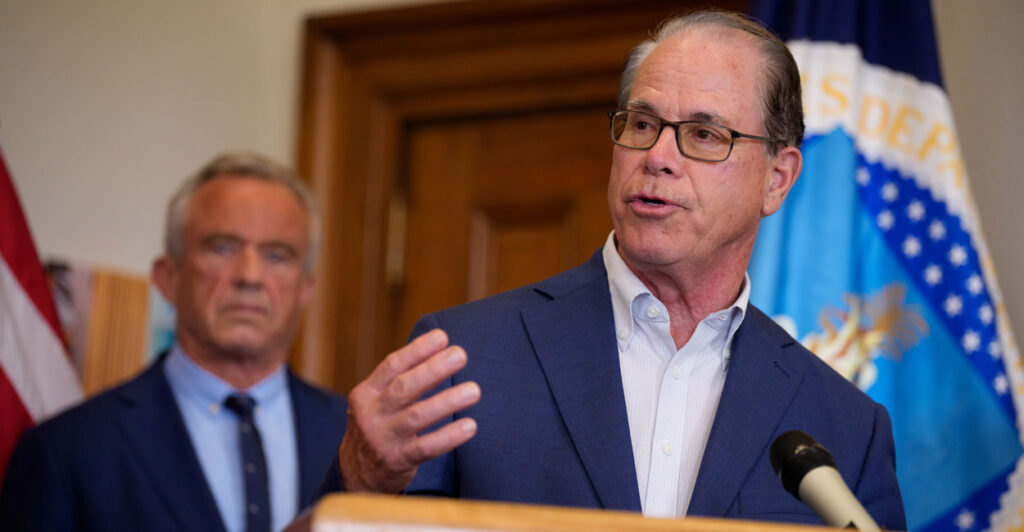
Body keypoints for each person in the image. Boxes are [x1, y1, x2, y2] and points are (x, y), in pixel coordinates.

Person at [322, 10, 905, 529]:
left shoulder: (848, 428)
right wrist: (361, 478)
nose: (657, 157)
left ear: (777, 179)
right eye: (642, 124)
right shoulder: (464, 360)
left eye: (703, 134)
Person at [0, 152, 348, 531]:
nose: (250, 276)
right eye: (223, 248)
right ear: (168, 277)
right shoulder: (67, 450)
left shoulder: (358, 439)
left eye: (277, 255)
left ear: (306, 289)